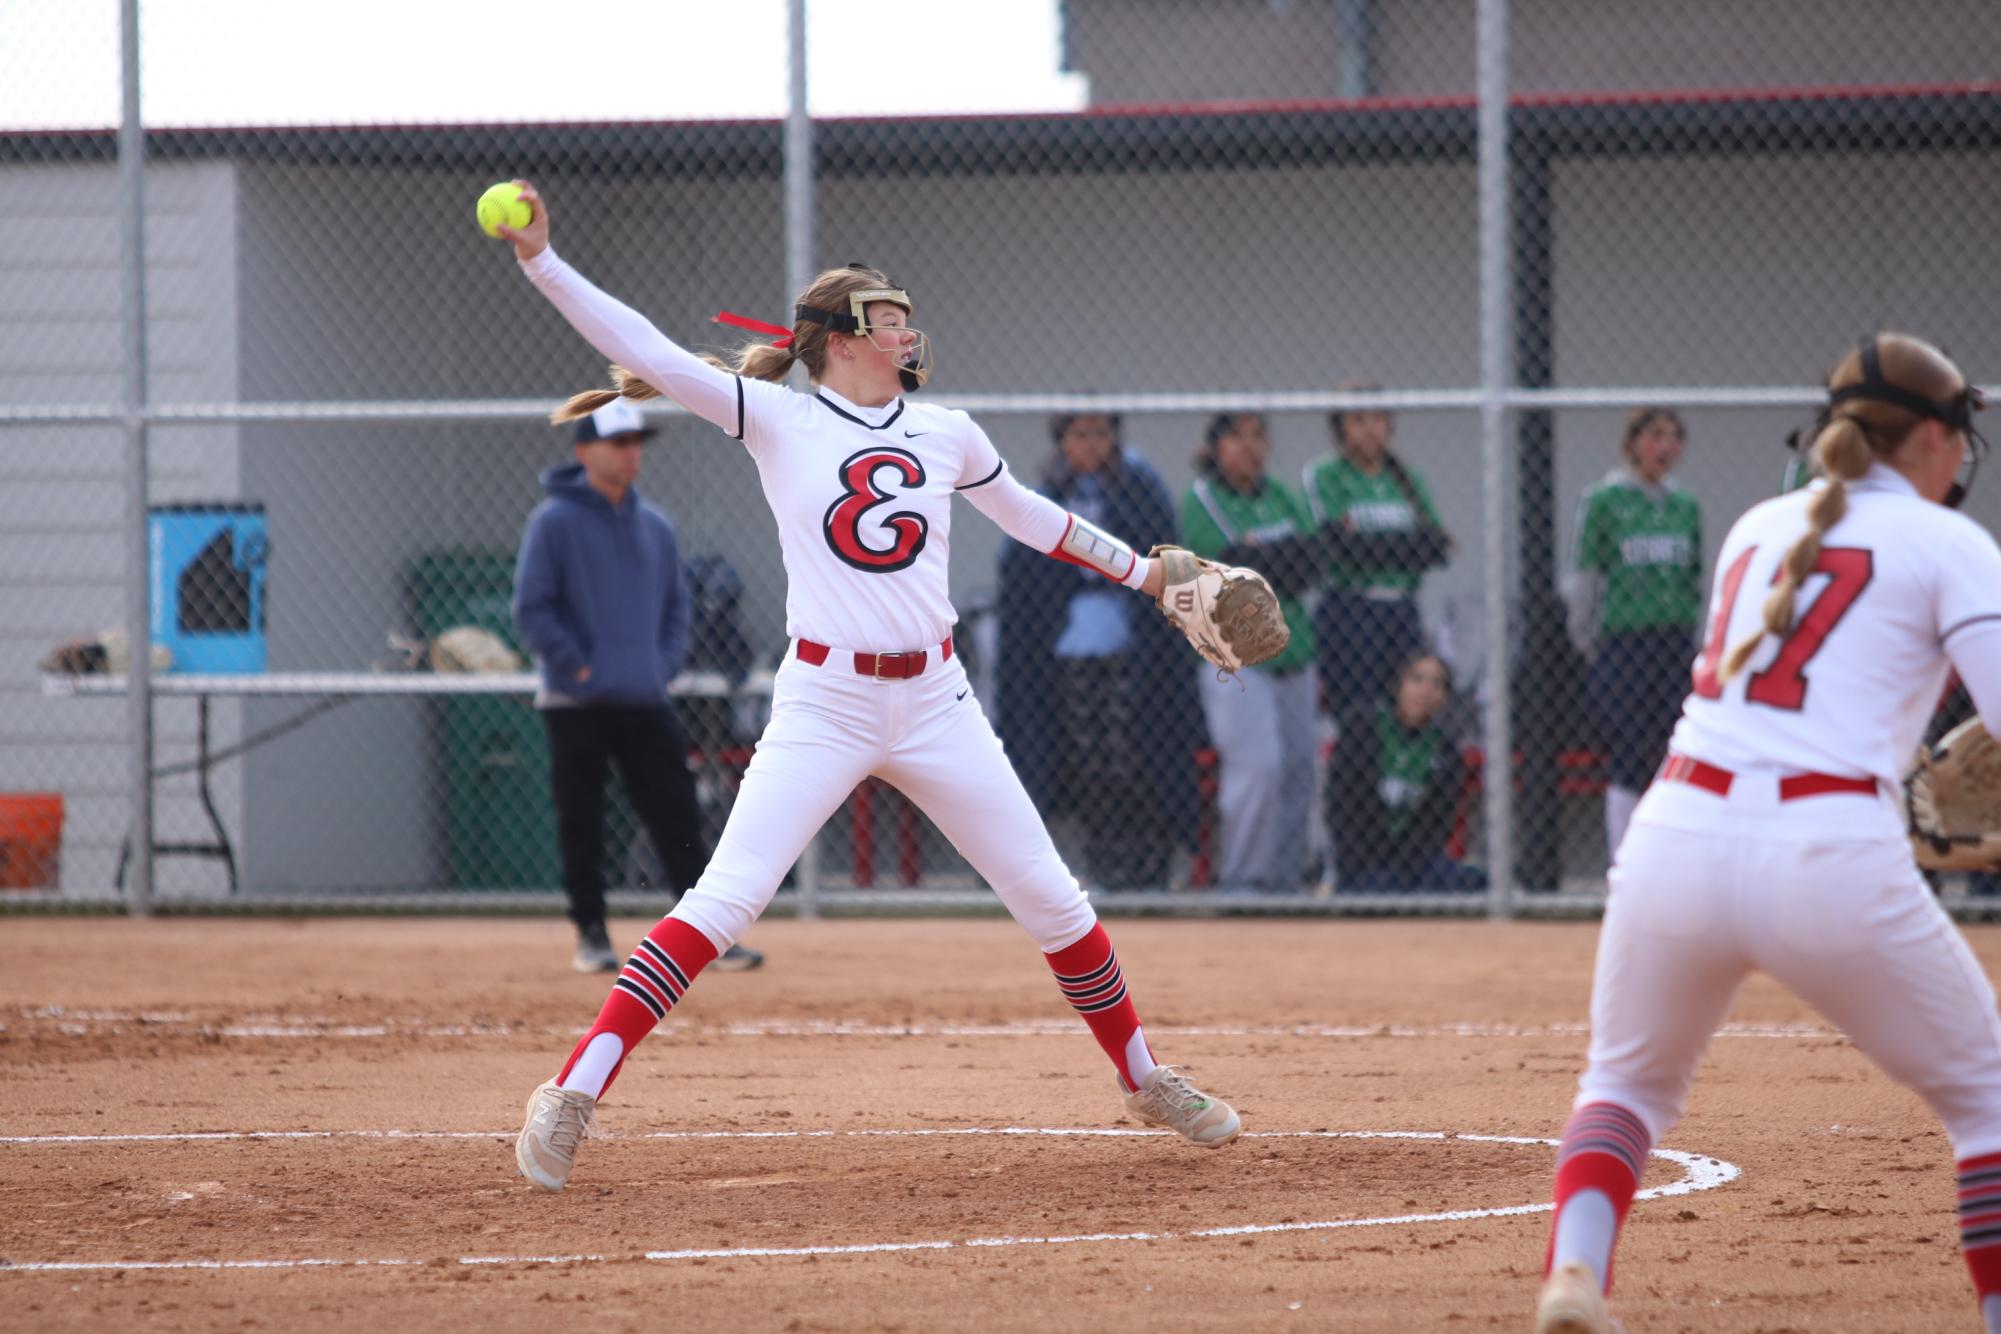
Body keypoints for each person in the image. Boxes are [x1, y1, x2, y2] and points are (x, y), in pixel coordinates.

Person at [492, 181, 1242, 1192]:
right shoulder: (779, 417)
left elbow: (1034, 518)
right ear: (842, 337)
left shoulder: (948, 430)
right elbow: (657, 354)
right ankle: (571, 1090)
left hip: (936, 698)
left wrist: (1151, 574)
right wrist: (541, 259)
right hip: (825, 699)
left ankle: (1144, 1076)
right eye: (888, 319)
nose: (907, 331)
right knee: (721, 901)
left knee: (1057, 902)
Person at [1534, 333, 2001, 1333]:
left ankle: (1574, 1274)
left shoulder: (1758, 524)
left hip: (1675, 834)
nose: (1961, 454)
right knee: (1989, 1104)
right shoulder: (1949, 541)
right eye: (1959, 434)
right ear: (1929, 436)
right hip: (1829, 847)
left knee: (1622, 1083)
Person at [512, 402, 765, 975]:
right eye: (619, 442)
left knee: (675, 812)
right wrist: (576, 668)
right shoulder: (552, 522)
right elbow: (532, 608)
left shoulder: (656, 524)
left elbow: (677, 607)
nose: (632, 452)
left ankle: (705, 934)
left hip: (645, 697)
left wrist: (663, 664)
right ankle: (592, 933)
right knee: (583, 819)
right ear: (584, 453)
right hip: (575, 703)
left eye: (636, 442)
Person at [996, 413, 1203, 889]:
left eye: (1101, 435)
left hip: (1131, 647)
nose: (1091, 445)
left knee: (1133, 753)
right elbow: (1023, 571)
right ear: (1063, 442)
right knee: (1086, 757)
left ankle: (1146, 862)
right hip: (1069, 649)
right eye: (1079, 435)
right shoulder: (1047, 492)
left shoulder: (1137, 488)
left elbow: (1163, 552)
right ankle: (1102, 860)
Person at [1179, 412, 1318, 893]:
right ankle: (1242, 880)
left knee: (1301, 769)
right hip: (1235, 659)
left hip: (1295, 650)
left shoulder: (1281, 495)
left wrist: (1260, 556)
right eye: (1237, 437)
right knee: (1258, 769)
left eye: (1259, 435)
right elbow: (1227, 575)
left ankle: (1285, 883)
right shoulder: (1203, 499)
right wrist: (1267, 560)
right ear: (1216, 447)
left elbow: (1310, 562)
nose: (1250, 446)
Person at [1563, 407, 1703, 861]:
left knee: (1673, 750)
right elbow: (1587, 576)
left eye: (1673, 437)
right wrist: (1586, 639)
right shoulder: (1605, 500)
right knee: (1627, 750)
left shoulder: (1684, 505)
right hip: (1624, 641)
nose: (1664, 447)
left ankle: (1669, 861)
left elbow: (1693, 578)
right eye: (1654, 436)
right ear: (1632, 443)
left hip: (1673, 640)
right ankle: (1624, 864)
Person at [1300, 386, 1451, 722]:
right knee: (1360, 718)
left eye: (1379, 419)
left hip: (1402, 610)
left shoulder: (1406, 478)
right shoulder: (1326, 474)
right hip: (1352, 609)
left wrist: (1369, 545)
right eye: (1358, 420)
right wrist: (1404, 547)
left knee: (1406, 716)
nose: (1371, 429)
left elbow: (1437, 548)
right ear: (1340, 428)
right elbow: (1336, 546)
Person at [1327, 653, 1486, 894]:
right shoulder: (1363, 728)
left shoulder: (1446, 751)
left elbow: (1438, 827)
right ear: (1399, 685)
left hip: (1415, 864)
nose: (1424, 690)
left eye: (1436, 684)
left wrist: (1407, 865)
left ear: (1443, 698)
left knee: (1474, 881)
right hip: (1364, 862)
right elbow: (1341, 806)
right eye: (1416, 679)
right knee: (1380, 887)